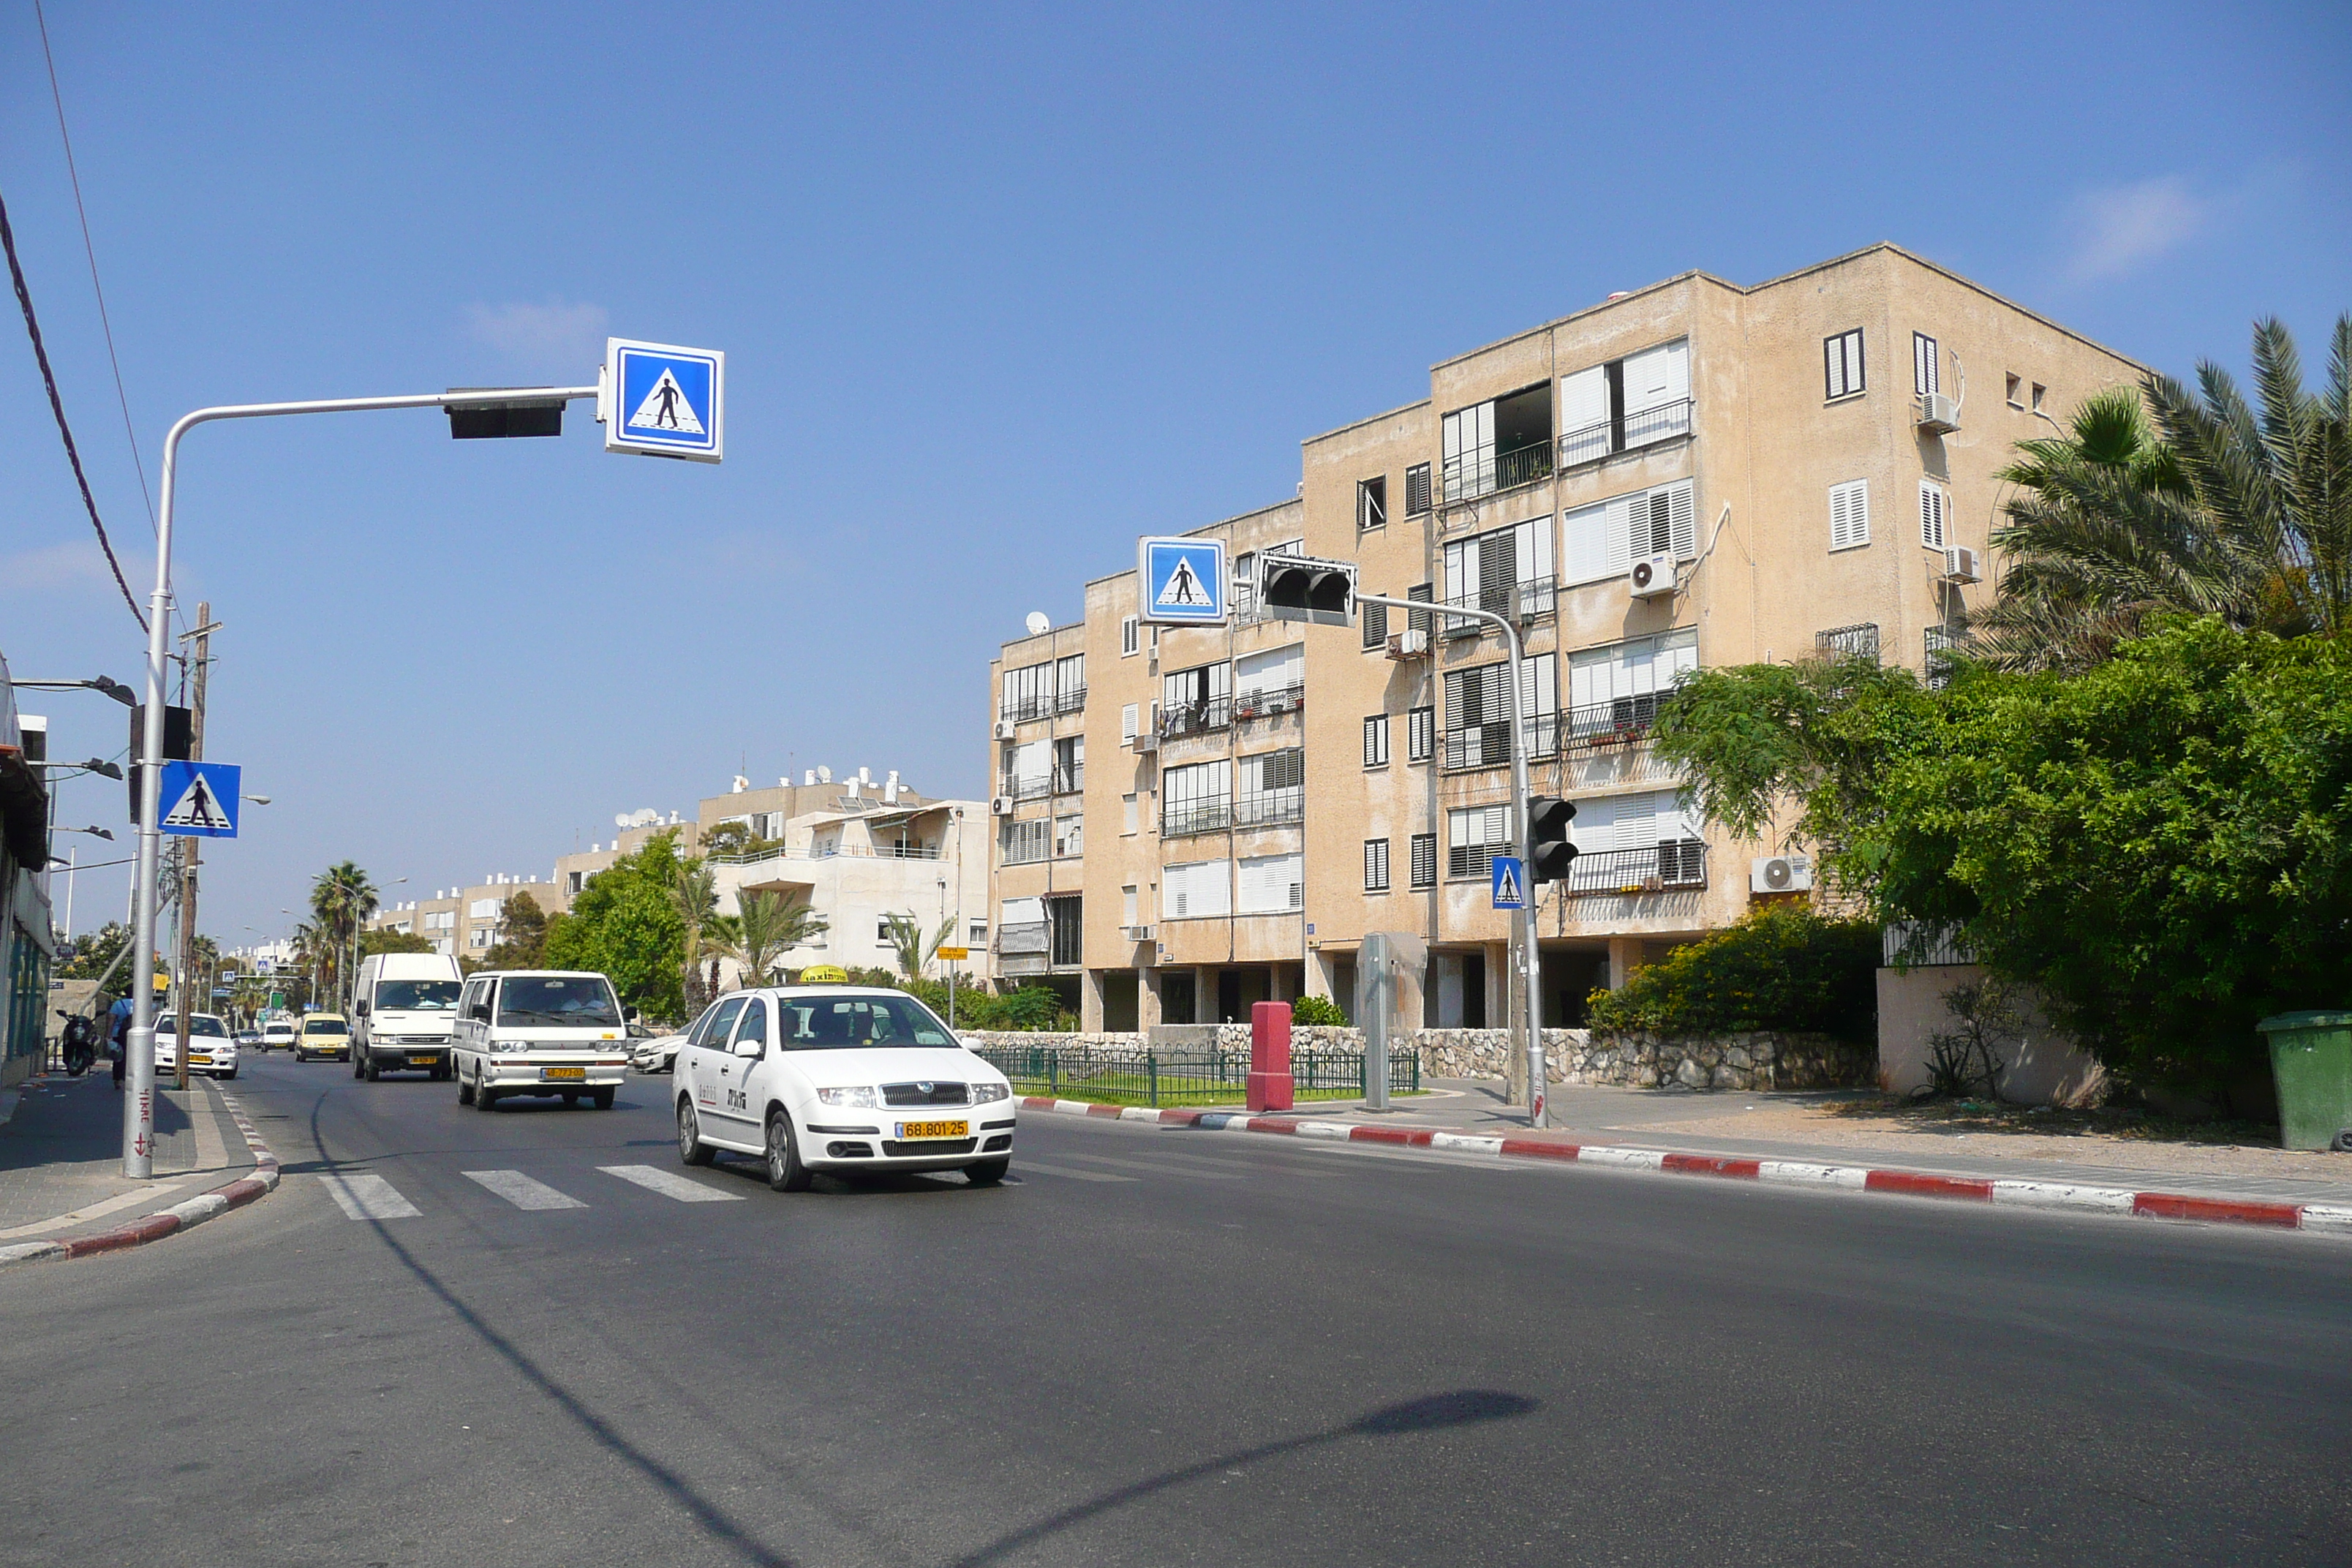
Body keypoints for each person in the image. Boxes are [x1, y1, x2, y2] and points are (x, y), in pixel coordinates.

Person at [108, 992, 135, 1089]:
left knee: (119, 1057)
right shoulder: (142, 1004)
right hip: (135, 1035)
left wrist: (109, 1034)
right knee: (132, 1057)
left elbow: (111, 1019)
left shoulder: (118, 1004)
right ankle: (130, 1078)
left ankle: (117, 1079)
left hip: (119, 1033)